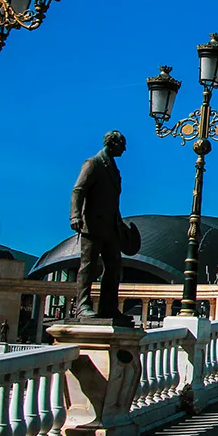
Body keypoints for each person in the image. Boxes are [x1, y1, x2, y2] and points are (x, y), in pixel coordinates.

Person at [70, 131, 135, 325]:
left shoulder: (113, 168)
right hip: (93, 224)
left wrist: (120, 224)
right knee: (88, 266)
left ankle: (108, 307)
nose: (124, 149)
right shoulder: (94, 163)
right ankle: (82, 306)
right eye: (122, 145)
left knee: (114, 267)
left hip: (111, 225)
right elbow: (78, 190)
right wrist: (75, 215)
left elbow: (112, 202)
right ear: (112, 144)